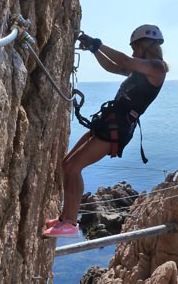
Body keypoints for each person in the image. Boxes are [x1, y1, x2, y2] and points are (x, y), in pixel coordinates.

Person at [43, 24, 168, 237]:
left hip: (117, 128)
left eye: (135, 47)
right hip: (109, 120)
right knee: (67, 164)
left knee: (74, 168)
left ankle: (70, 224)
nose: (133, 53)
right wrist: (94, 50)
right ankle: (65, 218)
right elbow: (116, 67)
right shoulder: (142, 68)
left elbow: (125, 61)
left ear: (147, 46)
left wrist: (98, 43)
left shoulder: (157, 67)